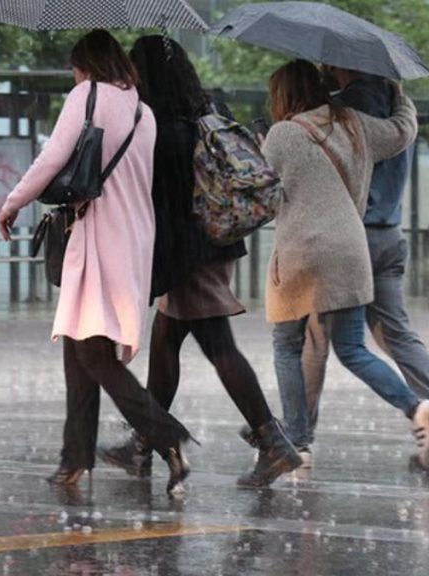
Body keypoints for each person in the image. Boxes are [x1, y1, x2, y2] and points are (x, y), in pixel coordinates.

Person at [98, 35, 301, 488]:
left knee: (218, 346)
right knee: (167, 340)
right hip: (212, 245)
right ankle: (144, 442)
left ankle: (273, 443)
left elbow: (161, 203)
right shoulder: (208, 115)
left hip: (188, 254)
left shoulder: (162, 129)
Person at [0, 30, 192, 495]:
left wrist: (12, 203)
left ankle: (166, 435)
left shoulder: (86, 96)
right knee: (79, 348)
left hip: (100, 237)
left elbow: (51, 160)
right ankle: (75, 458)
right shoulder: (144, 113)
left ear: (86, 65)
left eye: (75, 68)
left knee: (91, 353)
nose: (74, 76)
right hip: (134, 241)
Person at [260, 60, 429, 472]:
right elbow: (403, 131)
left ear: (284, 97)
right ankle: (417, 408)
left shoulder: (282, 134)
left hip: (302, 255)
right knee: (353, 350)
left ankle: (294, 438)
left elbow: (257, 190)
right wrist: (400, 95)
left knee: (287, 346)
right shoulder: (355, 125)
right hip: (352, 249)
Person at [299, 68, 429, 472]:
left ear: (348, 65)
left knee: (317, 339)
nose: (325, 69)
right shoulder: (400, 110)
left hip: (351, 239)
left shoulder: (342, 113)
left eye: (330, 63)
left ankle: (296, 437)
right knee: (400, 338)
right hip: (389, 236)